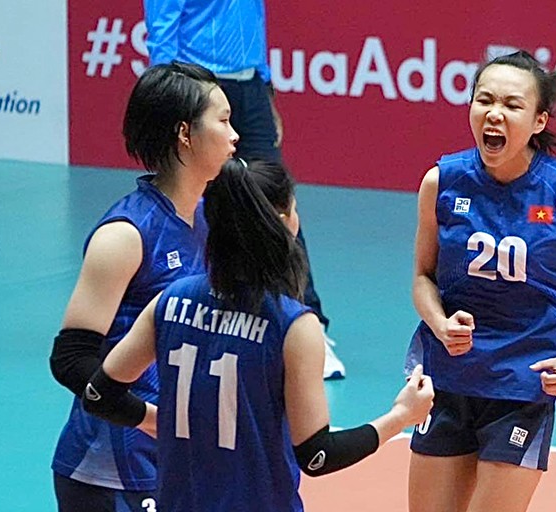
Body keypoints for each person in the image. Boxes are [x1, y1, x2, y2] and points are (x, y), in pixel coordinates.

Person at [81, 158, 435, 511]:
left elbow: (98, 395)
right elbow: (316, 455)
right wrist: (401, 417)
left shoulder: (170, 300)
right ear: (283, 222)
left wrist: (163, 421)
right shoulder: (292, 325)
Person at [406, 50, 556, 512]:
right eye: (484, 100)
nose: (494, 113)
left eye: (511, 104)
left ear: (539, 120)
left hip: (522, 384)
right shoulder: (441, 182)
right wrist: (441, 324)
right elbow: (423, 276)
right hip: (450, 377)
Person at [49, 62, 239, 511]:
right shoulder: (126, 235)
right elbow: (71, 360)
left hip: (181, 458)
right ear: (185, 134)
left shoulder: (213, 220)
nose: (235, 136)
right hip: (113, 470)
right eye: (224, 120)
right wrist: (151, 418)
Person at [142, 0, 347, 379]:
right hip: (199, 87)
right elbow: (162, 27)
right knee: (192, 199)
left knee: (277, 200)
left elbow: (254, 17)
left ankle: (309, 322)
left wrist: (264, 87)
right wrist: (171, 101)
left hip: (250, 86)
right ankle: (175, 318)